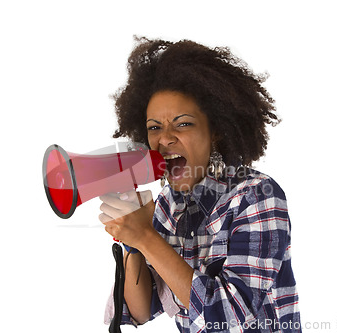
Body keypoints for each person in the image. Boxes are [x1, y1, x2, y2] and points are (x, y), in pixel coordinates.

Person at [99, 36, 301, 332]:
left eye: (182, 123)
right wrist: (132, 241)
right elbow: (141, 310)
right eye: (154, 127)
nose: (164, 138)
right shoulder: (168, 204)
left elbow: (229, 317)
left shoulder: (257, 195)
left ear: (216, 130)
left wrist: (145, 236)